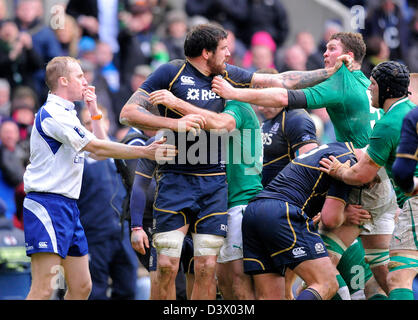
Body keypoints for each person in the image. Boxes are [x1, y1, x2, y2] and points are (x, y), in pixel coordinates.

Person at [119, 23, 348, 300]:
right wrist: (172, 124)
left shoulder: (228, 78)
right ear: (206, 52)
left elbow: (282, 80)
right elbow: (127, 113)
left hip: (214, 185)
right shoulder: (171, 72)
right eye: (224, 49)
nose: (229, 54)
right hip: (175, 181)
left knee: (206, 269)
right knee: (167, 267)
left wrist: (329, 72)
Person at [212, 32, 398, 295]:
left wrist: (235, 92)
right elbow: (283, 79)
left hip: (352, 178)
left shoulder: (337, 84)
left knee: (322, 271)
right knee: (383, 274)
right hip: (377, 179)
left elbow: (284, 93)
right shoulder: (367, 85)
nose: (324, 53)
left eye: (332, 48)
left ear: (349, 57)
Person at [21, 56, 175, 300]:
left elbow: (99, 150)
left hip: (68, 206)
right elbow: (99, 149)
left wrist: (94, 111)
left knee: (83, 287)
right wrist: (145, 151)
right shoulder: (53, 114)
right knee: (43, 287)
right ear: (63, 81)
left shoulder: (68, 114)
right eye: (80, 76)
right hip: (47, 204)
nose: (85, 81)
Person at [148, 89, 264, 300]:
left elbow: (219, 123)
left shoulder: (236, 106)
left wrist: (175, 102)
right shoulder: (224, 108)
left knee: (240, 287)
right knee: (221, 283)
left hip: (240, 202)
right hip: (219, 202)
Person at [319, 61, 416, 300]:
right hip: (402, 203)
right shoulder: (409, 111)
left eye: (372, 84)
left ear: (386, 90)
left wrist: (338, 169)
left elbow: (362, 175)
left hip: (414, 203)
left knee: (398, 277)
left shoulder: (389, 123)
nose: (369, 89)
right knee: (382, 279)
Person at [242, 141, 362, 300]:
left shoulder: (336, 146)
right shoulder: (346, 164)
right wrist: (345, 215)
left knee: (272, 297)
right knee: (326, 283)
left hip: (255, 211)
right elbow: (330, 220)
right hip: (282, 211)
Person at [77, 106, 139, 300]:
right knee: (95, 292)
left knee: (128, 288)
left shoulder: (121, 152)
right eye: (88, 122)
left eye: (98, 119)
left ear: (108, 122)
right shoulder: (78, 157)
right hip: (94, 235)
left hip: (122, 233)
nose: (94, 125)